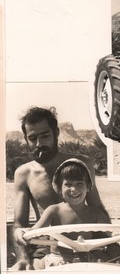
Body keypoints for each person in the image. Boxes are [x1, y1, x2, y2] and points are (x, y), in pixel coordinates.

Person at [11, 106, 110, 270]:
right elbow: (19, 223)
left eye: (45, 136)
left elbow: (96, 208)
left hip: (85, 239)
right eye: (33, 138)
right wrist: (22, 258)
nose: (39, 143)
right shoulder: (24, 173)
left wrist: (113, 246)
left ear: (56, 133)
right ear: (26, 139)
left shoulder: (81, 164)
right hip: (46, 244)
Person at [19, 158, 120, 268]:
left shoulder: (95, 213)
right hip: (59, 260)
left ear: (88, 187)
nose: (73, 189)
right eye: (68, 184)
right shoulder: (53, 211)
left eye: (79, 184)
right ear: (59, 188)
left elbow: (111, 233)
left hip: (88, 259)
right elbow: (34, 231)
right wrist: (22, 232)